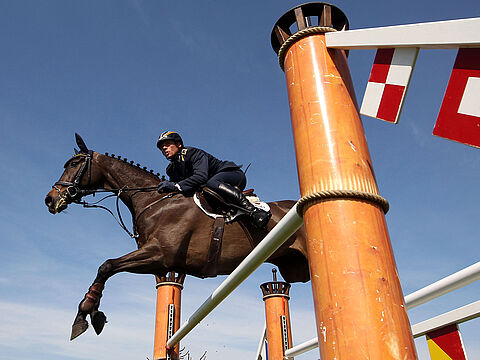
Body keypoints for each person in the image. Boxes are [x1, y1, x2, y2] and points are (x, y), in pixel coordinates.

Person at [156, 131, 271, 229]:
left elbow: (201, 177)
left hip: (232, 175)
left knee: (211, 183)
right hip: (211, 188)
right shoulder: (171, 170)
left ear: (179, 144)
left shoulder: (192, 153)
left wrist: (175, 186)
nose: (164, 148)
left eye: (167, 144)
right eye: (162, 147)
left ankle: (254, 211)